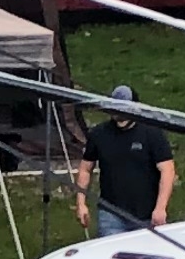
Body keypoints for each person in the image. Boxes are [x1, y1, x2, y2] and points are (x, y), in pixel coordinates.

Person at [75, 83, 175, 234]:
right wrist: (81, 203)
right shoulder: (99, 134)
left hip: (146, 214)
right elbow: (85, 169)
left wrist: (160, 208)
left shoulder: (152, 133)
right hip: (110, 214)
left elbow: (167, 170)